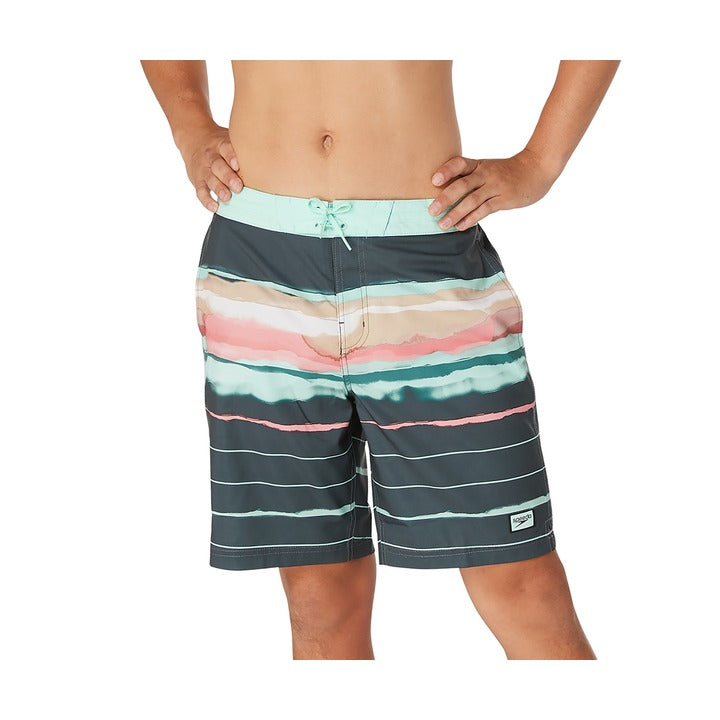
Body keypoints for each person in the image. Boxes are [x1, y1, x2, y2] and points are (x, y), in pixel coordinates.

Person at [141, 59, 619, 660]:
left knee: (520, 581)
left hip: (426, 256)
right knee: (318, 593)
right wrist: (190, 126)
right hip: (259, 262)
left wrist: (539, 164)